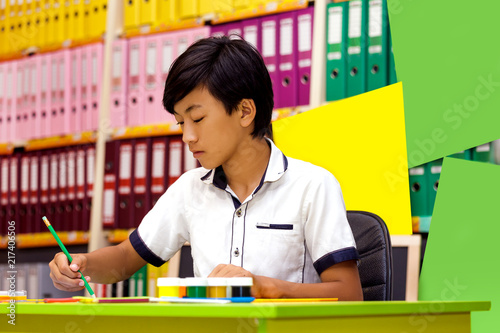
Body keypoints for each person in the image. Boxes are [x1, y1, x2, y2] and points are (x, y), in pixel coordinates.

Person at [49, 36, 363, 300]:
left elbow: (349, 293)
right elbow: (125, 259)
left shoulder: (313, 186)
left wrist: (264, 287)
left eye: (197, 119)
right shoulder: (190, 188)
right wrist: (82, 263)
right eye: (181, 123)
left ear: (244, 111)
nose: (188, 136)